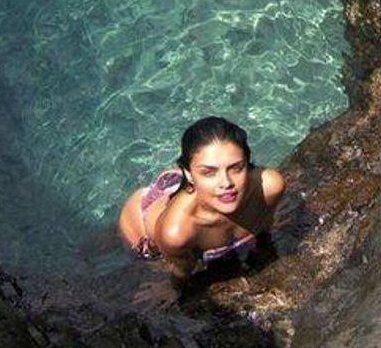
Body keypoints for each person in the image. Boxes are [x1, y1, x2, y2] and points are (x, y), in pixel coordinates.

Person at [118, 116, 285, 287]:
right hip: (143, 220)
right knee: (150, 262)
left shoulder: (270, 186)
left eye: (236, 168)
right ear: (188, 173)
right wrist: (171, 290)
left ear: (247, 164)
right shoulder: (177, 232)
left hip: (196, 189)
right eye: (209, 172)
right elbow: (182, 271)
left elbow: (265, 228)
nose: (226, 183)